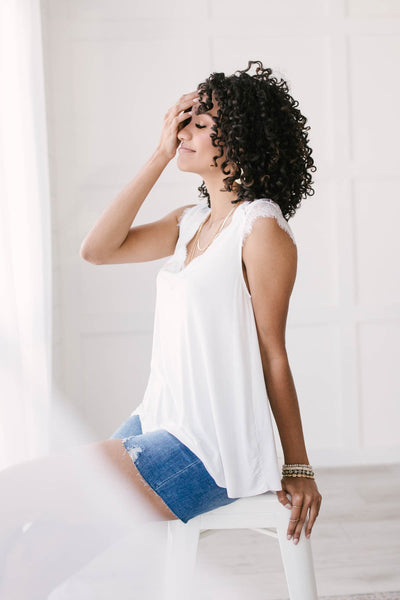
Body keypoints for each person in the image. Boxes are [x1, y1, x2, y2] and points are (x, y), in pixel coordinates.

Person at [0, 60, 322, 598]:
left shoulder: (261, 229)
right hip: (159, 422)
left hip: (209, 451)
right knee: (35, 556)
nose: (183, 132)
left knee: (12, 492)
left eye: (199, 123)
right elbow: (97, 250)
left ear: (240, 137)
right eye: (184, 121)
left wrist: (299, 466)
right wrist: (157, 154)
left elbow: (273, 355)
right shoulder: (189, 221)